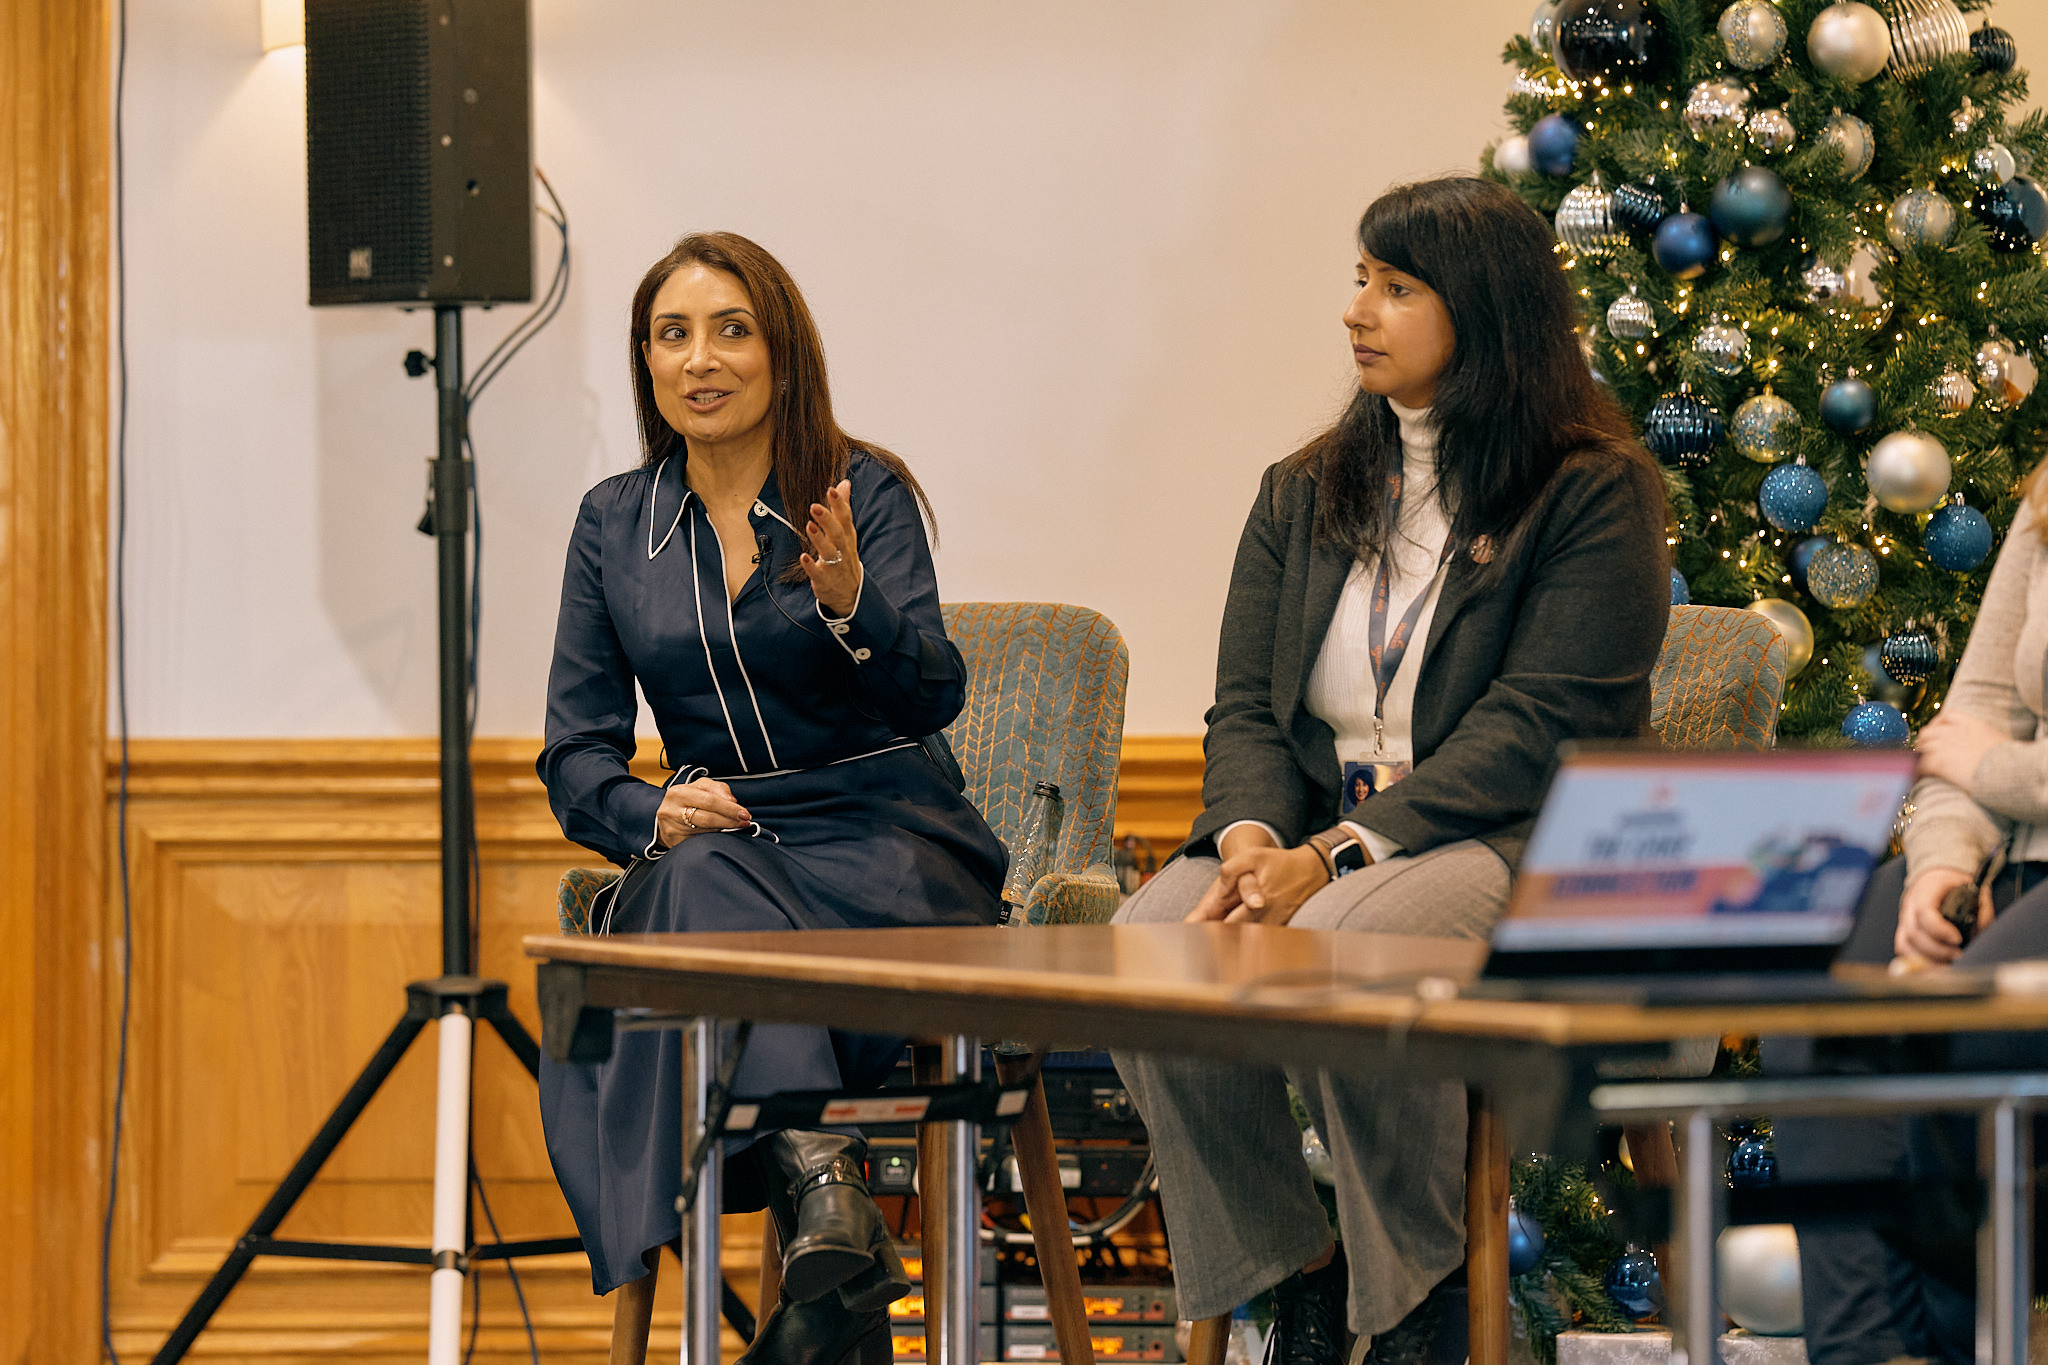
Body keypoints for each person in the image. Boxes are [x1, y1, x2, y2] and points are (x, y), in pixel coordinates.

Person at [1110, 175, 1670, 1365]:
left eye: (1397, 287)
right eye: (1360, 279)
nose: (1356, 311)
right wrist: (1252, 839)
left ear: (1485, 312)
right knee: (1150, 944)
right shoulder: (1302, 488)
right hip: (1315, 839)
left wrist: (1330, 857)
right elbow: (1246, 709)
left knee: (1346, 938)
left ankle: (1417, 1300)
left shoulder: (1590, 489)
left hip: (1517, 841)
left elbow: (1539, 725)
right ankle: (1296, 1272)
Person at [537, 231, 1005, 1365]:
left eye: (731, 330)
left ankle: (829, 1236)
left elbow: (933, 694)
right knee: (698, 878)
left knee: (696, 920)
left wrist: (854, 606)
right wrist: (649, 813)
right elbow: (575, 753)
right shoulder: (613, 523)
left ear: (781, 353)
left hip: (889, 843)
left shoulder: (861, 491)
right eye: (673, 335)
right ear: (649, 364)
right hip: (727, 846)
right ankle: (830, 1208)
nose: (701, 359)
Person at [1766, 463, 2048, 1365]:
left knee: (1965, 1026)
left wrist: (1993, 769)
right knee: (1816, 987)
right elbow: (1975, 714)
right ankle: (1862, 1351)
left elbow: (1980, 753)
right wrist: (1941, 867)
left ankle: (1964, 1345)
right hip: (2010, 853)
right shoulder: (2046, 501)